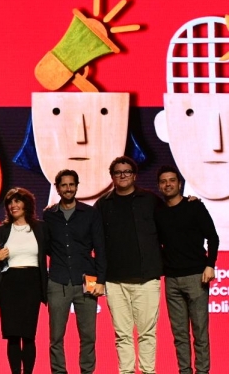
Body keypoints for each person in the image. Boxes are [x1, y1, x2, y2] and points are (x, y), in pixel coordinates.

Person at [95, 156, 164, 374]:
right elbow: (95, 241)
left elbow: (170, 227)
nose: (122, 175)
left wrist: (188, 201)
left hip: (147, 279)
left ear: (134, 175)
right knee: (122, 335)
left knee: (147, 333)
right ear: (112, 177)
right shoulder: (102, 205)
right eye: (118, 172)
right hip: (115, 281)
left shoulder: (150, 200)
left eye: (126, 172)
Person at [156, 165, 219, 374]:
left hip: (196, 277)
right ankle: (184, 371)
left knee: (200, 332)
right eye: (164, 181)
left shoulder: (194, 207)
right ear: (159, 186)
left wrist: (210, 265)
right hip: (172, 280)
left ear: (179, 183)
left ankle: (202, 372)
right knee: (180, 334)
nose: (168, 184)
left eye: (172, 180)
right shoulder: (159, 213)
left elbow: (213, 237)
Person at [43, 169, 106, 374]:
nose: (68, 188)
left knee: (88, 335)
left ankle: (87, 371)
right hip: (58, 281)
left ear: (77, 186)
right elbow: (45, 247)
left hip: (86, 280)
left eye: (72, 184)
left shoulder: (90, 213)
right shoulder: (49, 215)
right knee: (56, 337)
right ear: (57, 188)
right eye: (64, 185)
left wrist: (100, 280)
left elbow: (101, 248)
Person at [0, 187, 47, 374]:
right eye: (10, 202)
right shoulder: (0, 231)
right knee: (13, 336)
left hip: (32, 283)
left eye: (17, 201)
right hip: (9, 283)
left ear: (26, 204)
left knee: (29, 335)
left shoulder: (40, 228)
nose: (13, 205)